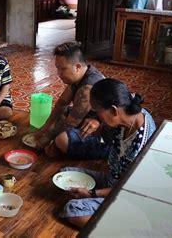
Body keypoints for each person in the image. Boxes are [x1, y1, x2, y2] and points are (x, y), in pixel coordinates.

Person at [59, 78, 156, 228]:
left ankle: (123, 227)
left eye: (97, 112)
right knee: (65, 173)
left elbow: (129, 188)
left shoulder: (141, 144)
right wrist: (98, 121)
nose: (96, 116)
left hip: (124, 193)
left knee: (73, 209)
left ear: (113, 110)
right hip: (112, 179)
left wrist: (92, 194)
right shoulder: (127, 113)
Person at [35, 42, 106, 158]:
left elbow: (71, 123)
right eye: (57, 68)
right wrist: (45, 127)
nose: (59, 74)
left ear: (77, 67)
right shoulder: (79, 76)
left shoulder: (88, 87)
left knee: (62, 140)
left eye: (62, 69)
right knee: (62, 113)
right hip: (84, 121)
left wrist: (48, 139)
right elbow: (62, 103)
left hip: (102, 133)